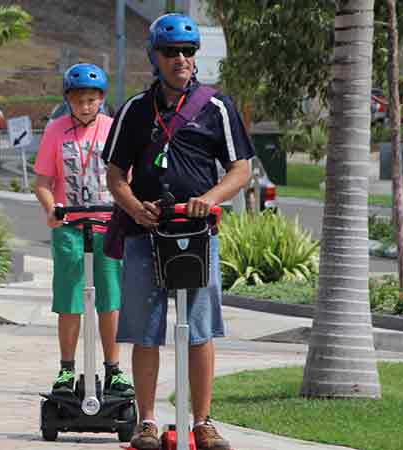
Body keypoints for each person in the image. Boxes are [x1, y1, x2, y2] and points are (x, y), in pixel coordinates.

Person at [102, 14, 253, 450]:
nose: (181, 59)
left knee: (200, 329)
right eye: (171, 52)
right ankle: (146, 421)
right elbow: (115, 173)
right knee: (146, 330)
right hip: (144, 235)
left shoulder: (216, 108)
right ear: (156, 57)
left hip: (197, 234)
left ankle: (203, 421)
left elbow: (240, 168)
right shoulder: (134, 109)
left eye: (187, 51)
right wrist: (134, 207)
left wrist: (211, 197)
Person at [33, 63, 134, 398]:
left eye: (92, 99)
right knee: (70, 299)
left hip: (109, 225)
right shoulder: (55, 131)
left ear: (102, 99)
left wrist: (129, 209)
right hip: (69, 226)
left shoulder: (114, 128)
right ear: (68, 100)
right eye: (79, 100)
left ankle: (114, 369)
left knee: (110, 297)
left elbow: (127, 179)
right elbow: (44, 182)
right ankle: (65, 369)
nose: (86, 106)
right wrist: (52, 210)